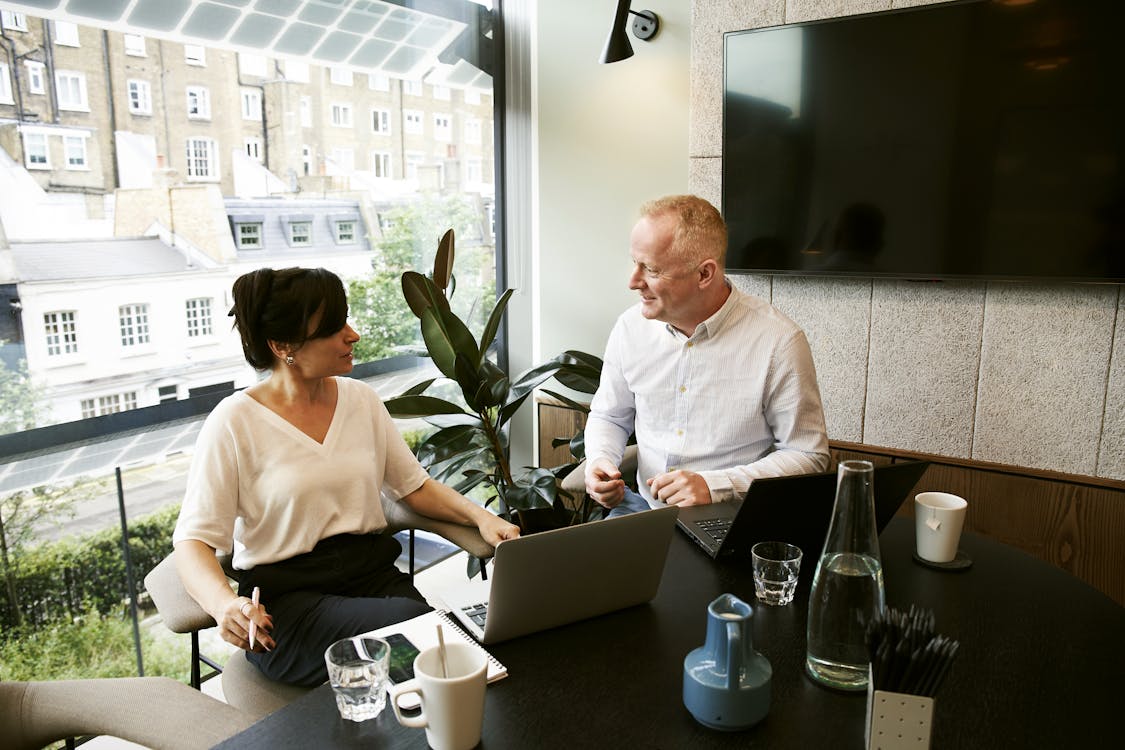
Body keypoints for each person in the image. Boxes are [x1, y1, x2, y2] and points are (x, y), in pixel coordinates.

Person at [172, 267, 518, 687]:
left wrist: (482, 518)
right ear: (283, 346)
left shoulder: (361, 400)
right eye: (333, 328)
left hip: (374, 580)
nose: (352, 335)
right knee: (428, 642)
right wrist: (223, 603)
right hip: (292, 608)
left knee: (453, 659)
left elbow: (414, 488)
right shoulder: (233, 421)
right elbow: (193, 542)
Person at [584, 195, 830, 516]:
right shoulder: (629, 328)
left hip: (732, 517)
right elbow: (610, 415)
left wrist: (715, 485)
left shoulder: (779, 341)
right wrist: (601, 460)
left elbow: (808, 454)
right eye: (635, 262)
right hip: (641, 509)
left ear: (704, 274)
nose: (633, 282)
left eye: (652, 269)